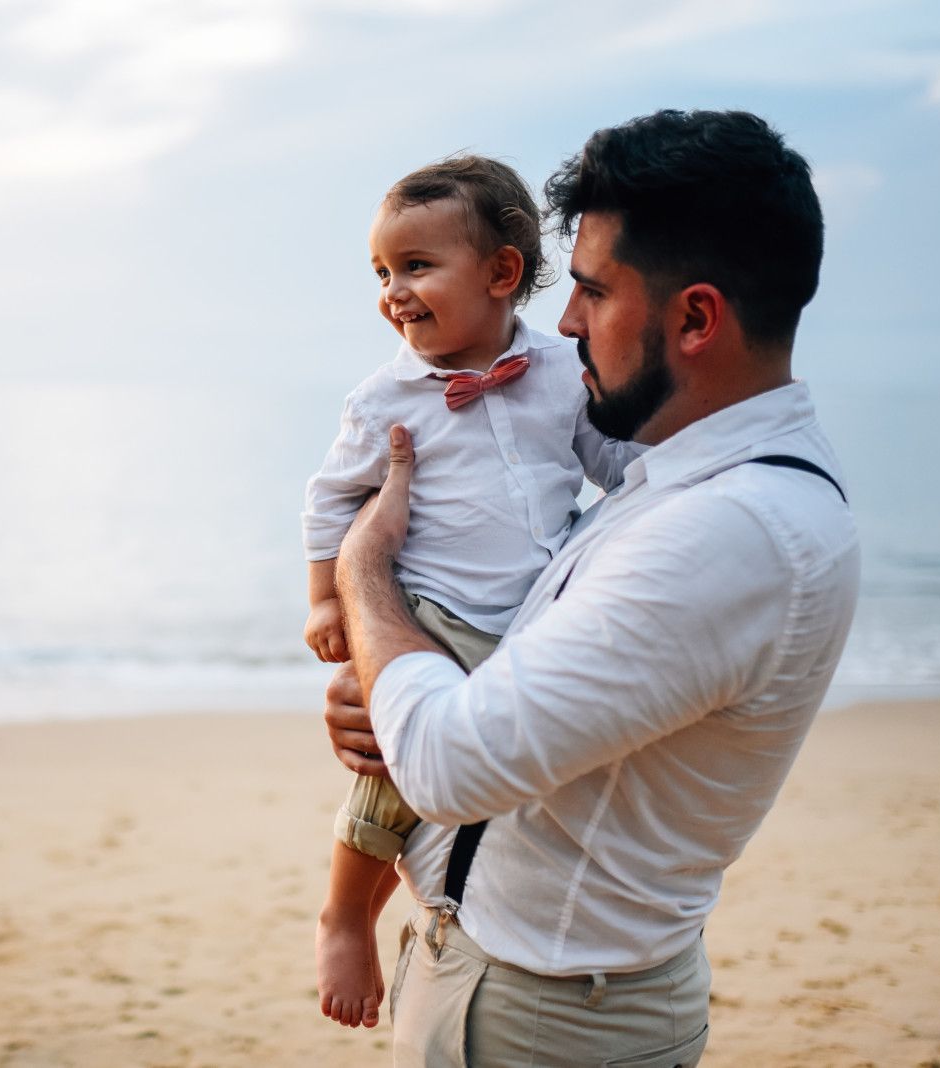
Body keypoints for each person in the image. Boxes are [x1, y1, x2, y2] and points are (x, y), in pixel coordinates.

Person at [325, 109, 860, 1066]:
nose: (564, 323)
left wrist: (367, 576)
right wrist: (394, 684)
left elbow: (449, 764)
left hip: (545, 1021)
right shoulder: (671, 473)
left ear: (695, 317)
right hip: (503, 979)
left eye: (590, 292)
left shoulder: (730, 531)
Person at [303, 155, 640, 1030]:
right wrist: (327, 603)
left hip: (534, 612)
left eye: (416, 267)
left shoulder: (564, 372)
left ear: (502, 273)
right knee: (394, 772)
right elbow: (331, 499)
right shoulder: (384, 399)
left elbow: (608, 463)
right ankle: (346, 913)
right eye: (382, 273)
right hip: (433, 616)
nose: (394, 291)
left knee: (528, 763)